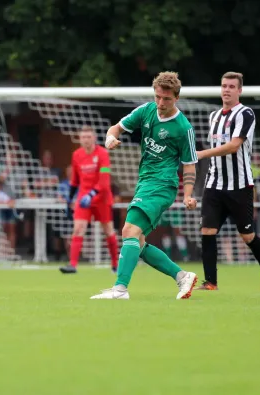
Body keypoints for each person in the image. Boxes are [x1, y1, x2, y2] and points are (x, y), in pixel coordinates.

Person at [89, 71, 198, 300]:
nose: (161, 102)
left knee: (128, 230)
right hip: (145, 182)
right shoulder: (146, 111)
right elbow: (115, 128)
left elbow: (189, 166)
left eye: (166, 99)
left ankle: (120, 289)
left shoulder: (183, 128)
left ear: (176, 98)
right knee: (137, 241)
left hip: (162, 184)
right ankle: (182, 277)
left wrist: (187, 195)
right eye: (158, 96)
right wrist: (110, 139)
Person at [196, 71, 260, 291]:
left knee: (247, 235)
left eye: (232, 86)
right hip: (214, 184)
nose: (227, 90)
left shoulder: (245, 113)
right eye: (224, 86)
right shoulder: (213, 117)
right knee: (207, 231)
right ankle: (211, 282)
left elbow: (233, 146)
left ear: (239, 90)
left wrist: (202, 154)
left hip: (240, 186)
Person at [59, 126, 119, 274]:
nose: (85, 140)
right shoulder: (76, 155)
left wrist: (91, 195)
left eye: (88, 137)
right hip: (83, 197)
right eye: (83, 137)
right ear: (79, 139)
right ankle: (72, 265)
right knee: (78, 228)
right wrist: (69, 200)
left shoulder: (103, 154)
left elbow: (104, 182)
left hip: (102, 198)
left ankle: (115, 264)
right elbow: (74, 181)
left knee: (108, 230)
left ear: (94, 138)